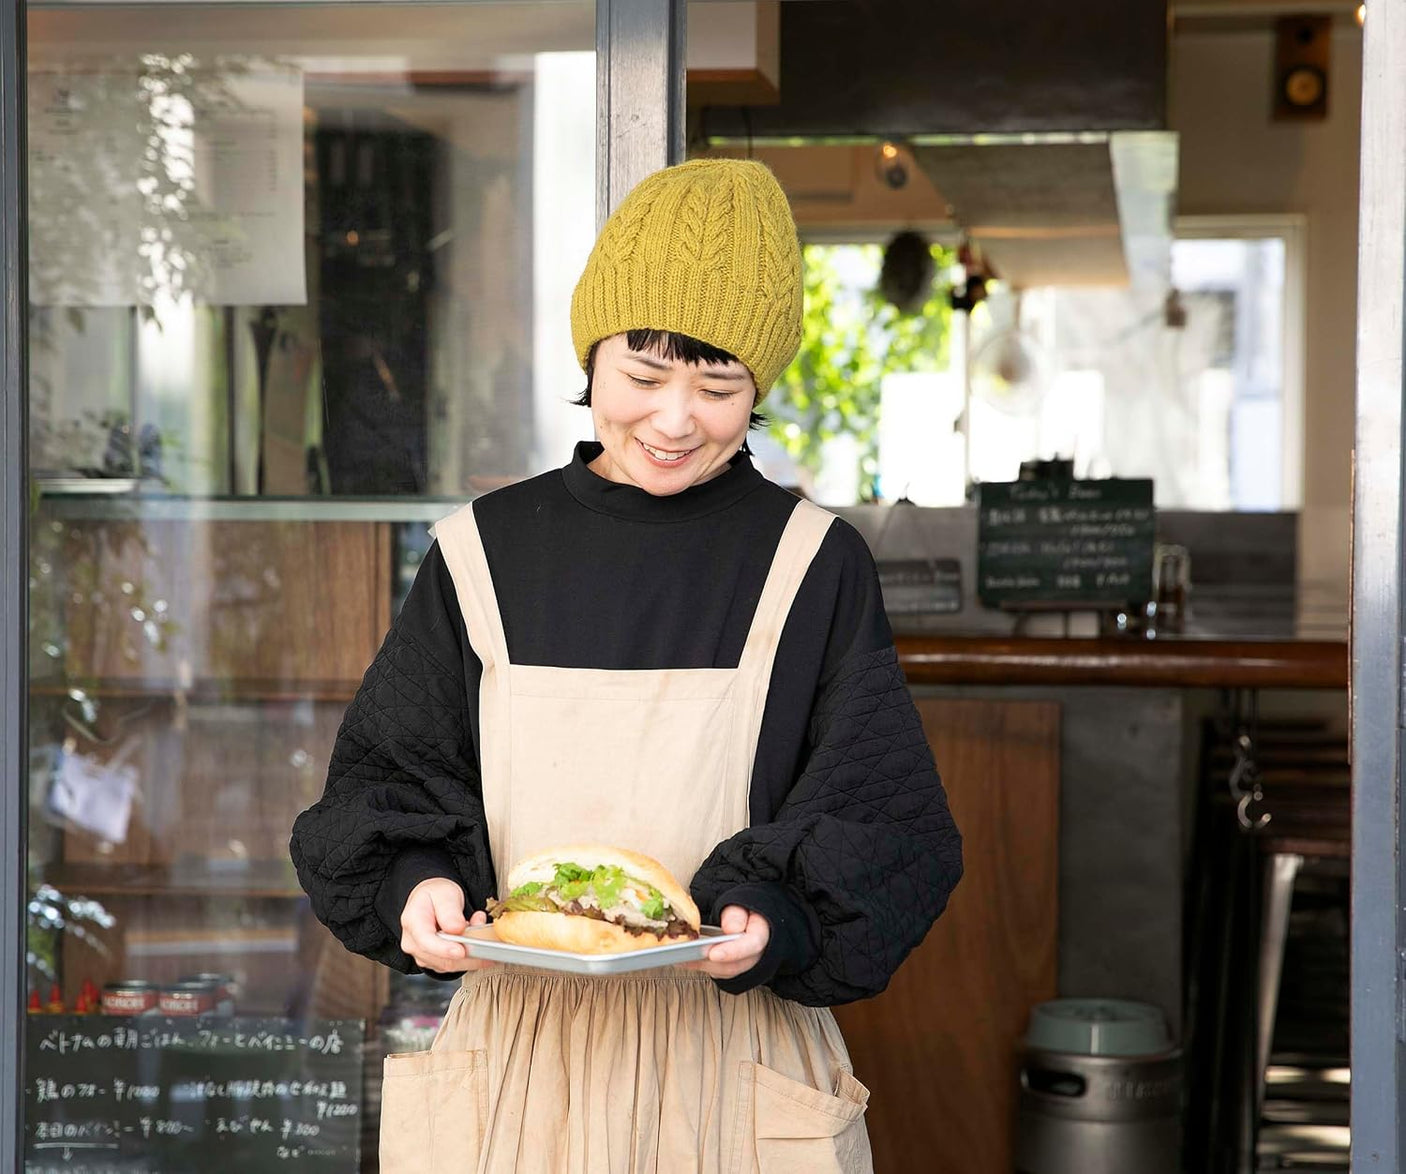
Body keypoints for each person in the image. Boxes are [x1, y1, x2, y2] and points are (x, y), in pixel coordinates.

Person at [290, 157, 962, 1174]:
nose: (675, 419)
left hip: (730, 1064)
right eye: (643, 377)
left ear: (759, 386)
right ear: (591, 357)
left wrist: (775, 919)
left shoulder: (813, 563)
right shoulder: (481, 552)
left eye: (718, 385)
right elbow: (389, 780)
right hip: (516, 1063)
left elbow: (886, 824)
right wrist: (415, 884)